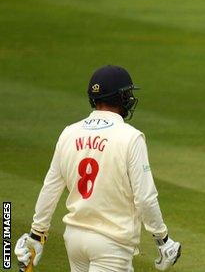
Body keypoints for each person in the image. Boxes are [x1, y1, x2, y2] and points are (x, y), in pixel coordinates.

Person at [14, 65, 181, 272]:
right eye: (127, 93)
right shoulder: (130, 137)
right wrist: (162, 239)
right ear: (120, 98)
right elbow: (145, 197)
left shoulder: (69, 133)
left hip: (74, 239)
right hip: (112, 243)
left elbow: (51, 187)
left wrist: (37, 234)